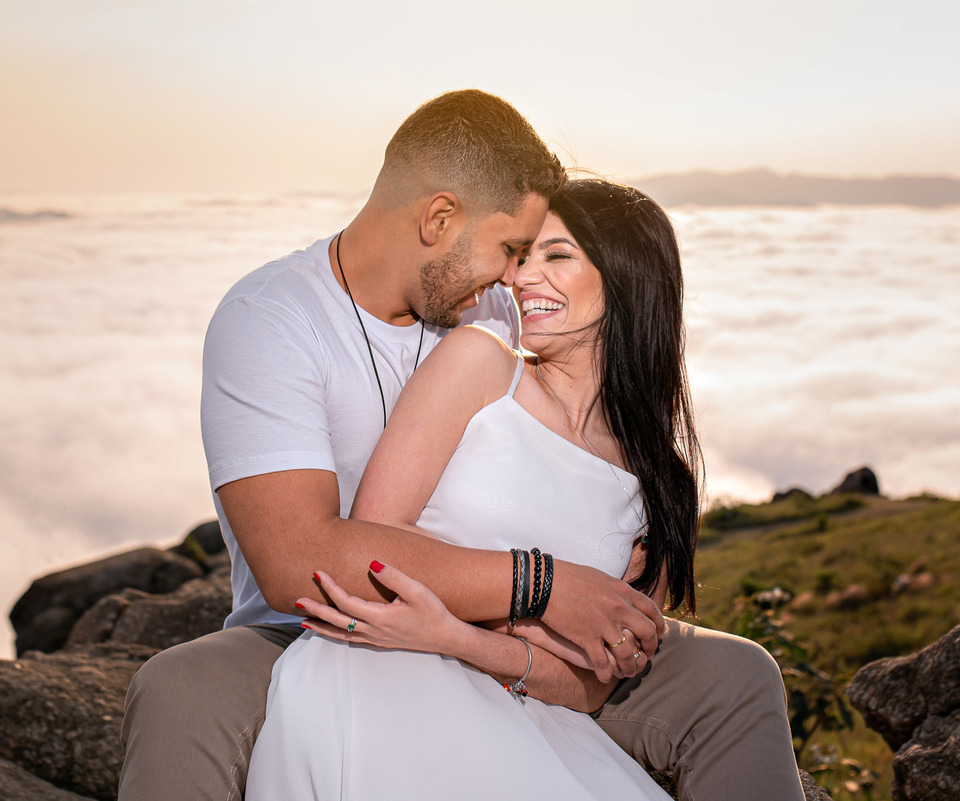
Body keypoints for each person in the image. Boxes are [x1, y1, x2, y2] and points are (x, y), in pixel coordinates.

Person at [119, 91, 804, 800]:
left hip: (521, 641)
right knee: (180, 686)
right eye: (512, 249)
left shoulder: (501, 311)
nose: (517, 276)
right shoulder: (273, 322)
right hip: (313, 623)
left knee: (738, 672)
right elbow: (299, 563)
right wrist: (546, 586)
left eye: (539, 254)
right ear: (439, 218)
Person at [247, 181, 702, 798]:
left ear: (628, 276)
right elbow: (372, 551)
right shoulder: (481, 363)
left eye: (557, 256)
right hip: (382, 673)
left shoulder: (661, 483)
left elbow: (593, 683)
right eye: (522, 256)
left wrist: (460, 635)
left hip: (531, 714)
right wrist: (539, 615)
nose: (522, 278)